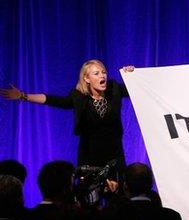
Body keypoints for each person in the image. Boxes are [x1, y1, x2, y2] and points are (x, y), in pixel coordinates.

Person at [0, 60, 134, 169]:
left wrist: (131, 75)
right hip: (90, 155)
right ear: (86, 78)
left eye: (103, 72)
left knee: (117, 196)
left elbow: (135, 89)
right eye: (96, 73)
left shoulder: (114, 89)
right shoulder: (79, 97)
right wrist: (24, 96)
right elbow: (55, 100)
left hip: (114, 155)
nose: (102, 76)